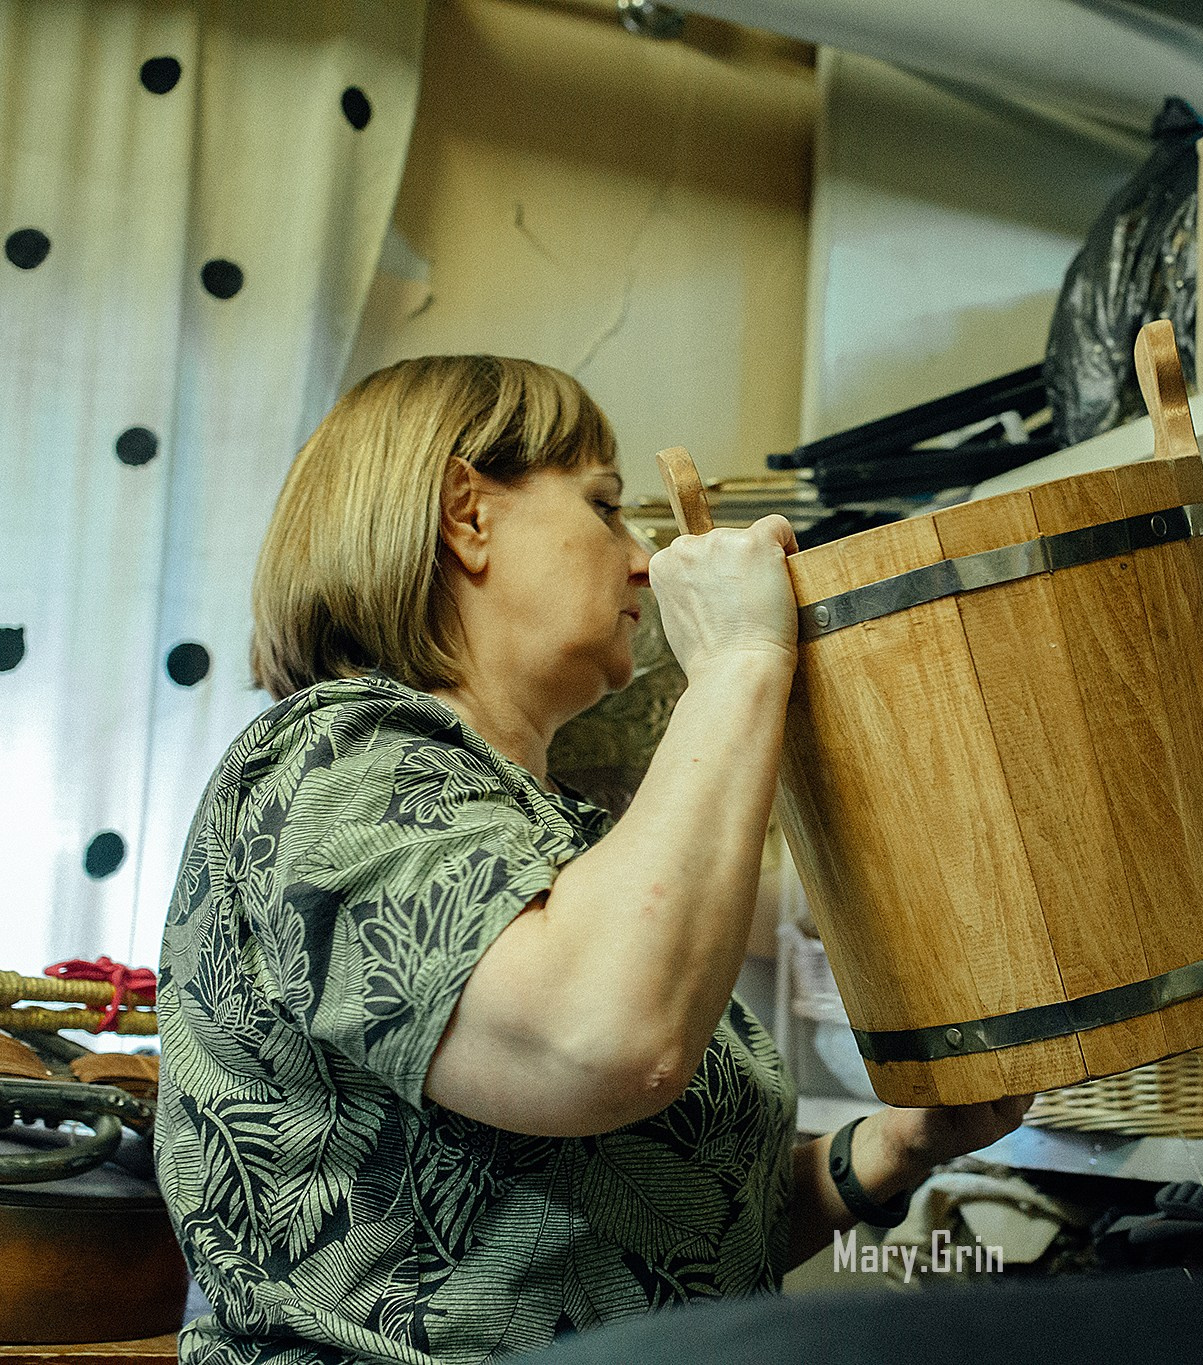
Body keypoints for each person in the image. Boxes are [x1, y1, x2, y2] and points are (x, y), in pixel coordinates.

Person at [154, 355, 1030, 1365]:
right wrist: (741, 661)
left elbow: (633, 1251)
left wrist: (886, 1152)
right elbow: (605, 1040)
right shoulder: (330, 762)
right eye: (606, 507)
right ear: (464, 515)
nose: (645, 558)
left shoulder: (552, 838)